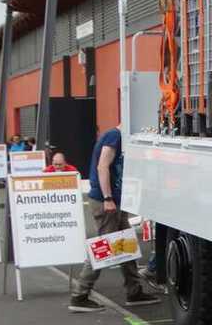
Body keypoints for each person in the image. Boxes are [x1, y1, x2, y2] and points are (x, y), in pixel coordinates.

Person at [69, 124, 160, 313]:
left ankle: (134, 291)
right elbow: (103, 166)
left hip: (116, 201)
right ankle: (80, 295)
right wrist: (108, 198)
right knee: (104, 248)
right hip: (107, 202)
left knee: (126, 245)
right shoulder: (114, 136)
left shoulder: (119, 137)